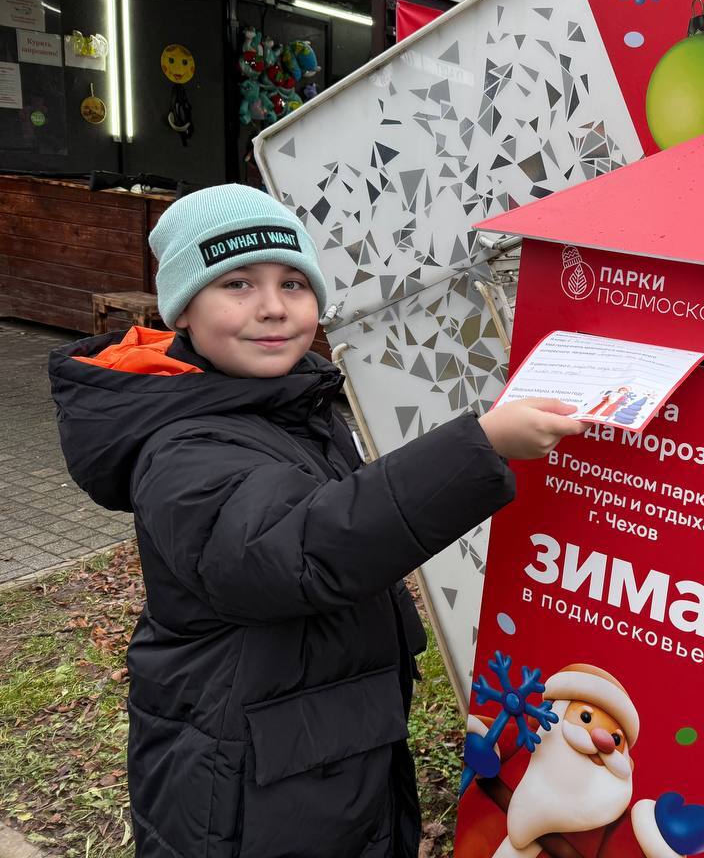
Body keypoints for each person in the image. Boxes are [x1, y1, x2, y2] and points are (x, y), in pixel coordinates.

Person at [48, 184, 583, 858]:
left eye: (294, 283)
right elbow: (299, 549)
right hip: (249, 790)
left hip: (317, 754)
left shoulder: (289, 401)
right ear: (184, 311)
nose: (272, 307)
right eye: (237, 284)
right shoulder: (184, 450)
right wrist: (478, 446)